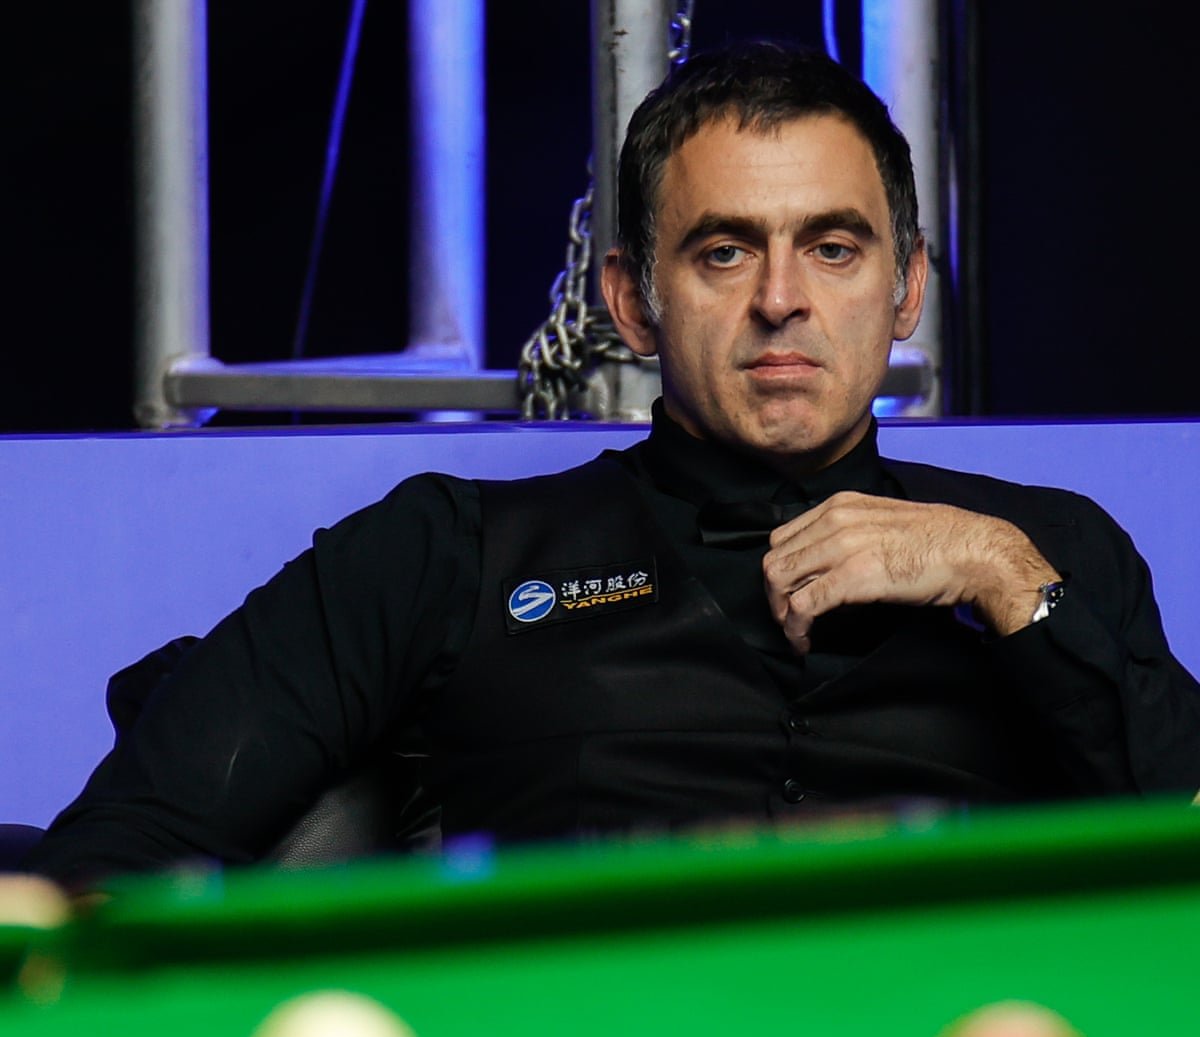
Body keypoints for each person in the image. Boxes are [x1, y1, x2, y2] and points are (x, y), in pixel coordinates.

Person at [25, 41, 1200, 889]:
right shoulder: (444, 552)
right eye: (724, 251)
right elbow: (119, 855)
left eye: (833, 249)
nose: (781, 299)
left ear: (906, 291)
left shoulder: (1049, 554)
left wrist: (1004, 579)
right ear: (633, 302)